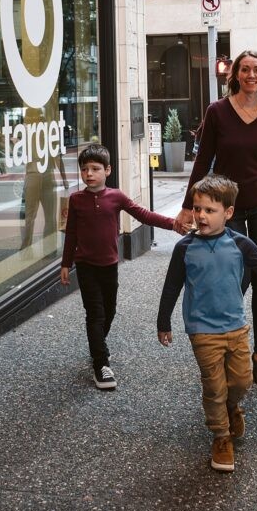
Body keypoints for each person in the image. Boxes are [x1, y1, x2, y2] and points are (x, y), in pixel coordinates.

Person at [158, 174, 257, 473]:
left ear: (228, 213)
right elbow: (172, 286)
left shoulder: (240, 244)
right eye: (197, 208)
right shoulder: (185, 248)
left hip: (236, 327)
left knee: (242, 381)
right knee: (213, 386)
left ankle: (232, 407)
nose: (201, 216)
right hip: (202, 330)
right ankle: (220, 436)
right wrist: (163, 321)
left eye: (210, 210)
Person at [174, 50, 257, 387]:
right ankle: (225, 343)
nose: (251, 75)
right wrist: (188, 206)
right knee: (235, 276)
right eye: (245, 70)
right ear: (236, 75)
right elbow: (202, 162)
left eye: (256, 70)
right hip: (228, 208)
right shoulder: (217, 112)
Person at [61, 143, 182, 390]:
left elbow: (143, 215)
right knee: (95, 313)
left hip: (109, 265)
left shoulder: (116, 197)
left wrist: (173, 224)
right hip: (85, 266)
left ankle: (98, 344)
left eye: (95, 169)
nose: (89, 174)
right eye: (84, 169)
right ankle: (101, 363)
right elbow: (71, 233)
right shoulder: (76, 200)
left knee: (110, 311)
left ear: (108, 170)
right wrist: (66, 263)